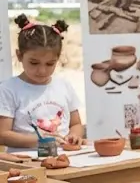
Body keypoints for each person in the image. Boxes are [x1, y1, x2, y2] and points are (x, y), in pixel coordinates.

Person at [0, 15, 84, 148]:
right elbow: (3, 134)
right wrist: (39, 140)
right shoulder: (8, 89)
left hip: (67, 160)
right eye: (34, 63)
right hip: (27, 162)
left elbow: (76, 124)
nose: (42, 70)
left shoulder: (64, 86)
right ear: (19, 55)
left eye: (50, 64)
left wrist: (74, 135)